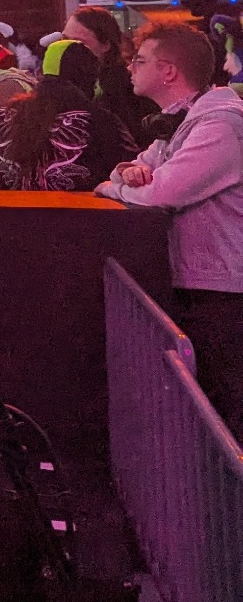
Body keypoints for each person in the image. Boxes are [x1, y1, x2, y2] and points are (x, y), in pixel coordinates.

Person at [97, 24, 243, 433]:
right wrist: (127, 173)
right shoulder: (184, 122)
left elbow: (164, 192)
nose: (130, 68)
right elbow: (133, 167)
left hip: (226, 288)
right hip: (207, 280)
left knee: (227, 410)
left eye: (139, 61)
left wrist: (111, 187)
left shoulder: (219, 127)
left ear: (168, 71)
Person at [0, 40, 134, 191]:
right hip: (82, 211)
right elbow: (129, 168)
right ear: (90, 78)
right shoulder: (103, 120)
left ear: (43, 72)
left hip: (18, 211)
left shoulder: (4, 114)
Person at [64, 6, 160, 143]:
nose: (66, 48)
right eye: (64, 40)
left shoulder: (129, 87)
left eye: (78, 42)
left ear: (105, 45)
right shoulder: (63, 83)